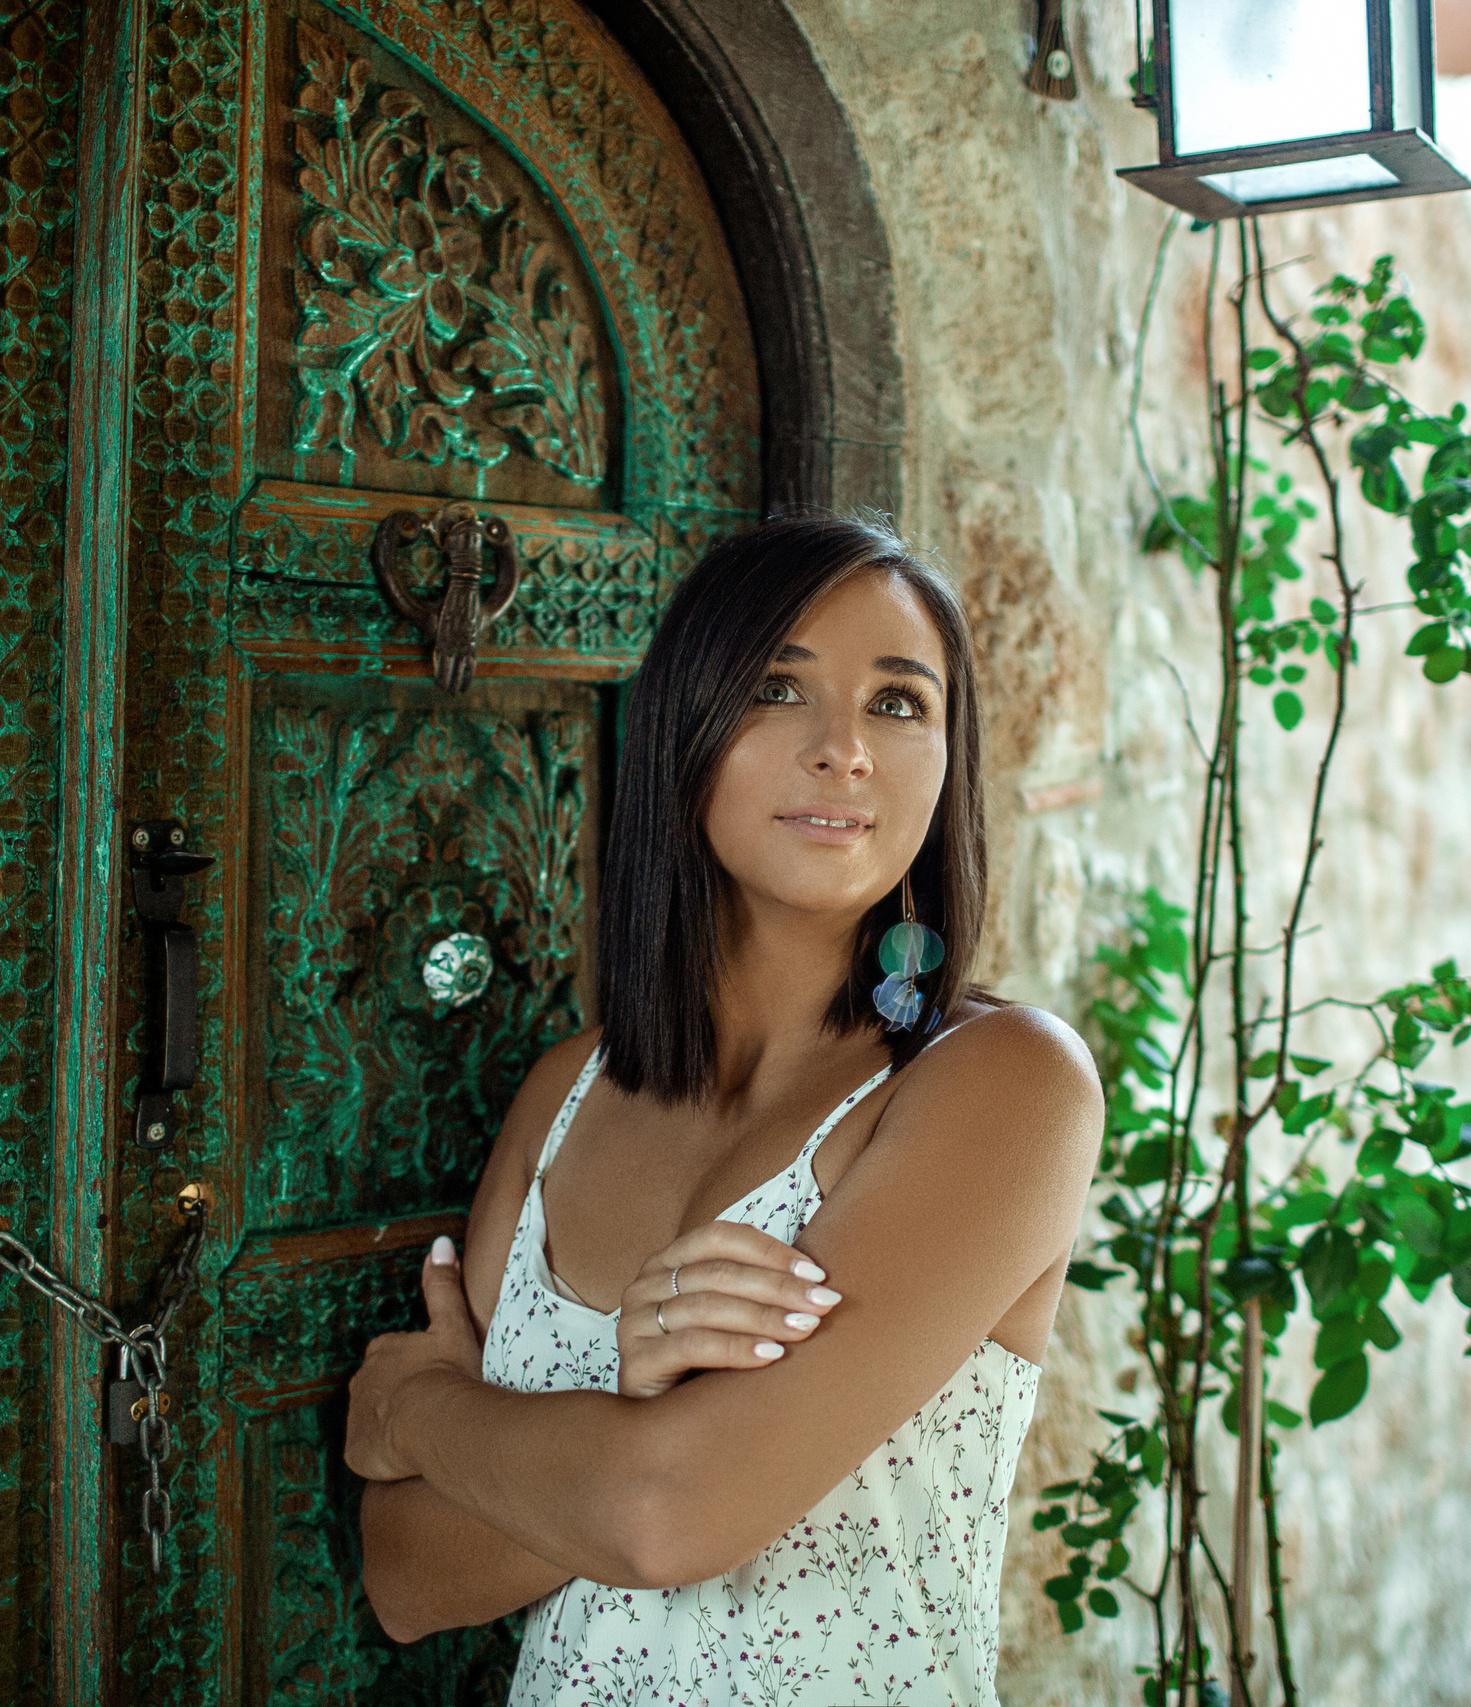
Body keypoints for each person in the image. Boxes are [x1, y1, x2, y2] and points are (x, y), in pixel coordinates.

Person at [345, 513, 1103, 1706]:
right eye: (774, 689)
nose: (844, 749)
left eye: (898, 703)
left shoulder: (1001, 1086)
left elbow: (664, 1517)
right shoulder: (566, 1095)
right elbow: (410, 1579)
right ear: (686, 732)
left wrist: (417, 1411)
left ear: (946, 758)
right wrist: (632, 1414)